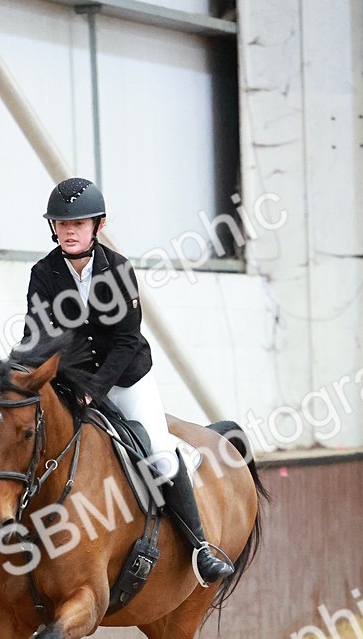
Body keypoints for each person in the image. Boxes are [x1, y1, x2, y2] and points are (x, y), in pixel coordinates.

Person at [23, 177, 233, 586]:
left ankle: (200, 548)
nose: (69, 231)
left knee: (159, 453)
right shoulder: (43, 273)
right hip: (72, 383)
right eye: (62, 224)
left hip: (125, 380)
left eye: (78, 224)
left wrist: (93, 389)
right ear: (53, 228)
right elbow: (36, 335)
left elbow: (125, 341)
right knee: (28, 438)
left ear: (96, 226)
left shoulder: (118, 270)